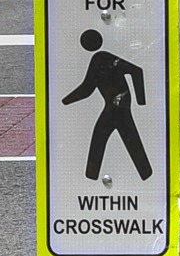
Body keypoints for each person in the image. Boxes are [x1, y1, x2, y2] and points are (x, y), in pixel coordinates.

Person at [62, 28, 151, 180]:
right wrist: (66, 101)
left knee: (101, 136)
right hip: (118, 105)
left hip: (116, 106)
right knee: (128, 138)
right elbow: (88, 89)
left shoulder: (100, 58)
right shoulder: (102, 58)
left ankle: (91, 176)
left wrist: (141, 100)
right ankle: (145, 173)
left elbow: (136, 71)